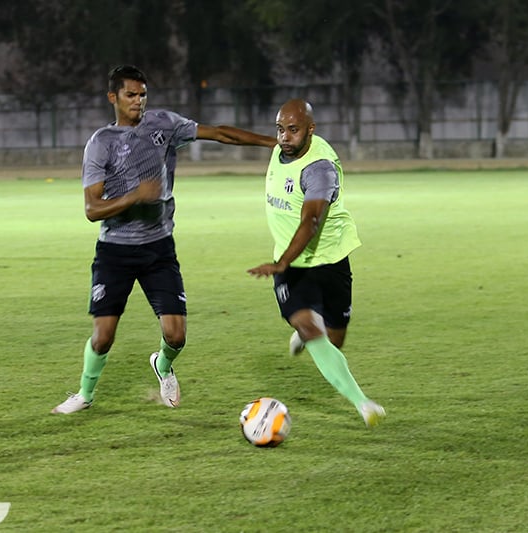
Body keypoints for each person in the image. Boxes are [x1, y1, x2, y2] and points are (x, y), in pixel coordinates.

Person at [52, 65, 276, 414]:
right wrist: (134, 197)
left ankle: (163, 365)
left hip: (159, 247)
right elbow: (92, 209)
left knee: (176, 335)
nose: (138, 102)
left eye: (142, 95)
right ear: (113, 97)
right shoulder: (101, 143)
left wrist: (271, 142)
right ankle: (84, 394)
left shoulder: (164, 125)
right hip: (115, 251)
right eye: (130, 95)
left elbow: (218, 133)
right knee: (104, 336)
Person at [247, 98, 385, 427]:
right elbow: (243, 137)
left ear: (311, 130)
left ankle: (308, 336)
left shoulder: (319, 168)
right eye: (279, 129)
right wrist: (198, 132)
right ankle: (362, 403)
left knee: (335, 340)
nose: (283, 137)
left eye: (292, 130)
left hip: (331, 259)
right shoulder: (286, 145)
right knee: (311, 329)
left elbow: (310, 223)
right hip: (293, 264)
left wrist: (280, 263)